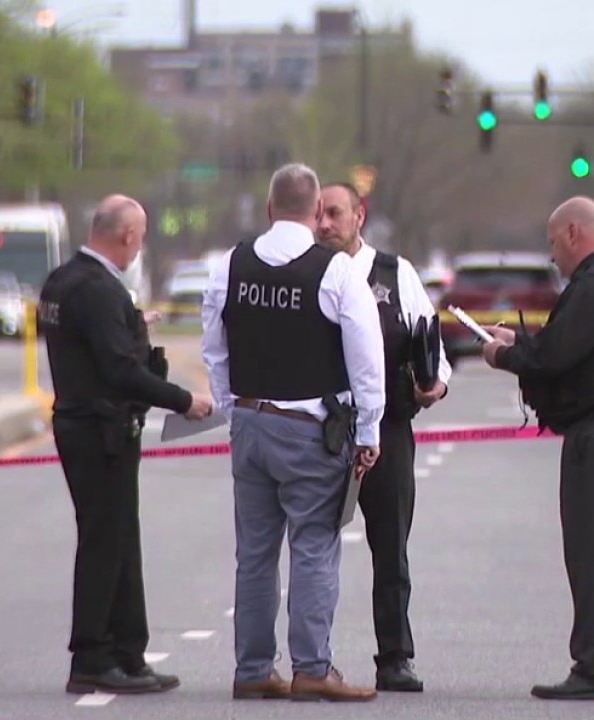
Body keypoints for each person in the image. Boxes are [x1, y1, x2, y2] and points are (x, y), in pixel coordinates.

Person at [201, 163, 386, 702]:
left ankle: (254, 668)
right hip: (310, 429)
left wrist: (234, 409)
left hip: (251, 425)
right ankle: (311, 668)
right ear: (313, 213)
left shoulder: (228, 267)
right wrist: (370, 429)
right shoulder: (337, 271)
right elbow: (366, 359)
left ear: (268, 209)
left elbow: (215, 350)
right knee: (314, 547)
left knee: (255, 553)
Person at [479, 196, 594, 701]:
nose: (553, 259)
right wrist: (526, 342)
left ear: (571, 233)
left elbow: (557, 356)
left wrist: (504, 355)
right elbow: (585, 345)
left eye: (551, 246)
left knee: (592, 552)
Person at [39, 194, 215, 696]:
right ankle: (94, 655)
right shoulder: (98, 290)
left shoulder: (63, 280)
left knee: (116, 539)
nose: (140, 246)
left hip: (83, 423)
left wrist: (133, 327)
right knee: (104, 541)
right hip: (100, 429)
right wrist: (183, 400)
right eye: (140, 236)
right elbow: (117, 371)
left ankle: (126, 652)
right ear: (128, 236)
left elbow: (86, 346)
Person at [315, 182, 450, 692]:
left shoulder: (395, 274)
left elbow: (432, 347)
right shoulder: (309, 275)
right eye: (317, 215)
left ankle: (395, 657)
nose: (324, 224)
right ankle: (312, 659)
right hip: (323, 433)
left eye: (334, 214)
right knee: (313, 548)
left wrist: (434, 382)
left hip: (389, 430)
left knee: (390, 548)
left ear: (359, 216)